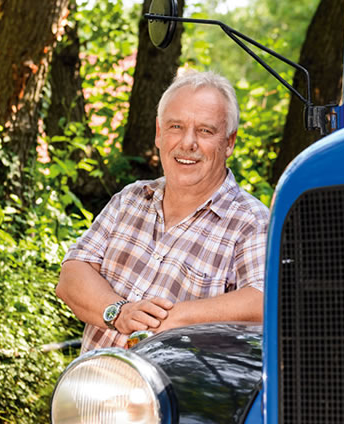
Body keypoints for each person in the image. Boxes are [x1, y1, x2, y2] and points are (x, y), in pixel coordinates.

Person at [56, 70, 270, 353]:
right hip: (89, 392)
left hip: (176, 397)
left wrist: (171, 319)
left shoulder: (251, 222)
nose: (187, 143)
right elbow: (72, 275)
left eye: (205, 131)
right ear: (159, 133)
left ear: (229, 142)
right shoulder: (130, 199)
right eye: (176, 127)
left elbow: (264, 302)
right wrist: (119, 313)